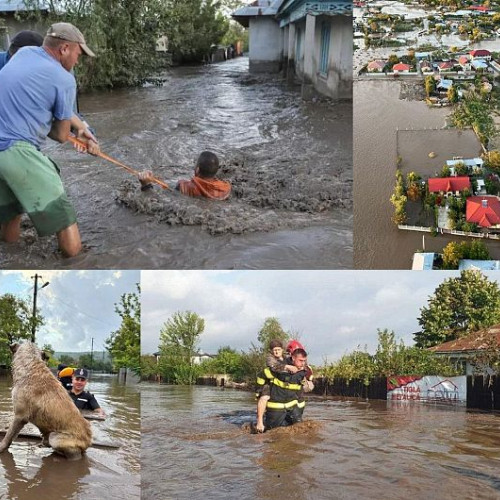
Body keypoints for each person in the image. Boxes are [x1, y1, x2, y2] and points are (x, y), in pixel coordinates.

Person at [0, 22, 98, 257]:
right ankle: (75, 262)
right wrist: (79, 135)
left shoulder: (22, 54)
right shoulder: (64, 79)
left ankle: (12, 259)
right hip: (17, 150)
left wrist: (81, 127)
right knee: (65, 220)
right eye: (79, 53)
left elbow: (28, 96)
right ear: (64, 48)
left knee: (11, 214)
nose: (78, 60)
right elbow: (60, 136)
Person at [256, 348, 314, 431]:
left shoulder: (304, 369)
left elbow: (309, 375)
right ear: (293, 358)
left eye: (304, 361)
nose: (303, 363)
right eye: (301, 360)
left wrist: (308, 377)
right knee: (273, 433)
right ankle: (260, 423)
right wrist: (259, 392)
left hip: (292, 406)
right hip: (276, 406)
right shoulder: (280, 367)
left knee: (300, 429)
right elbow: (261, 375)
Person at [138, 151, 231, 200]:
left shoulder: (183, 186)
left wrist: (146, 184)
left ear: (197, 169)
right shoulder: (226, 188)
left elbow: (157, 198)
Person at [255, 339, 299, 433]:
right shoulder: (269, 358)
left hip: (277, 382)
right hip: (266, 382)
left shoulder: (286, 357)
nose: (276, 352)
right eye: (274, 350)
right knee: (264, 398)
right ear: (271, 351)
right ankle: (259, 422)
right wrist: (288, 367)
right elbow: (275, 367)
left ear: (282, 349)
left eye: (278, 349)